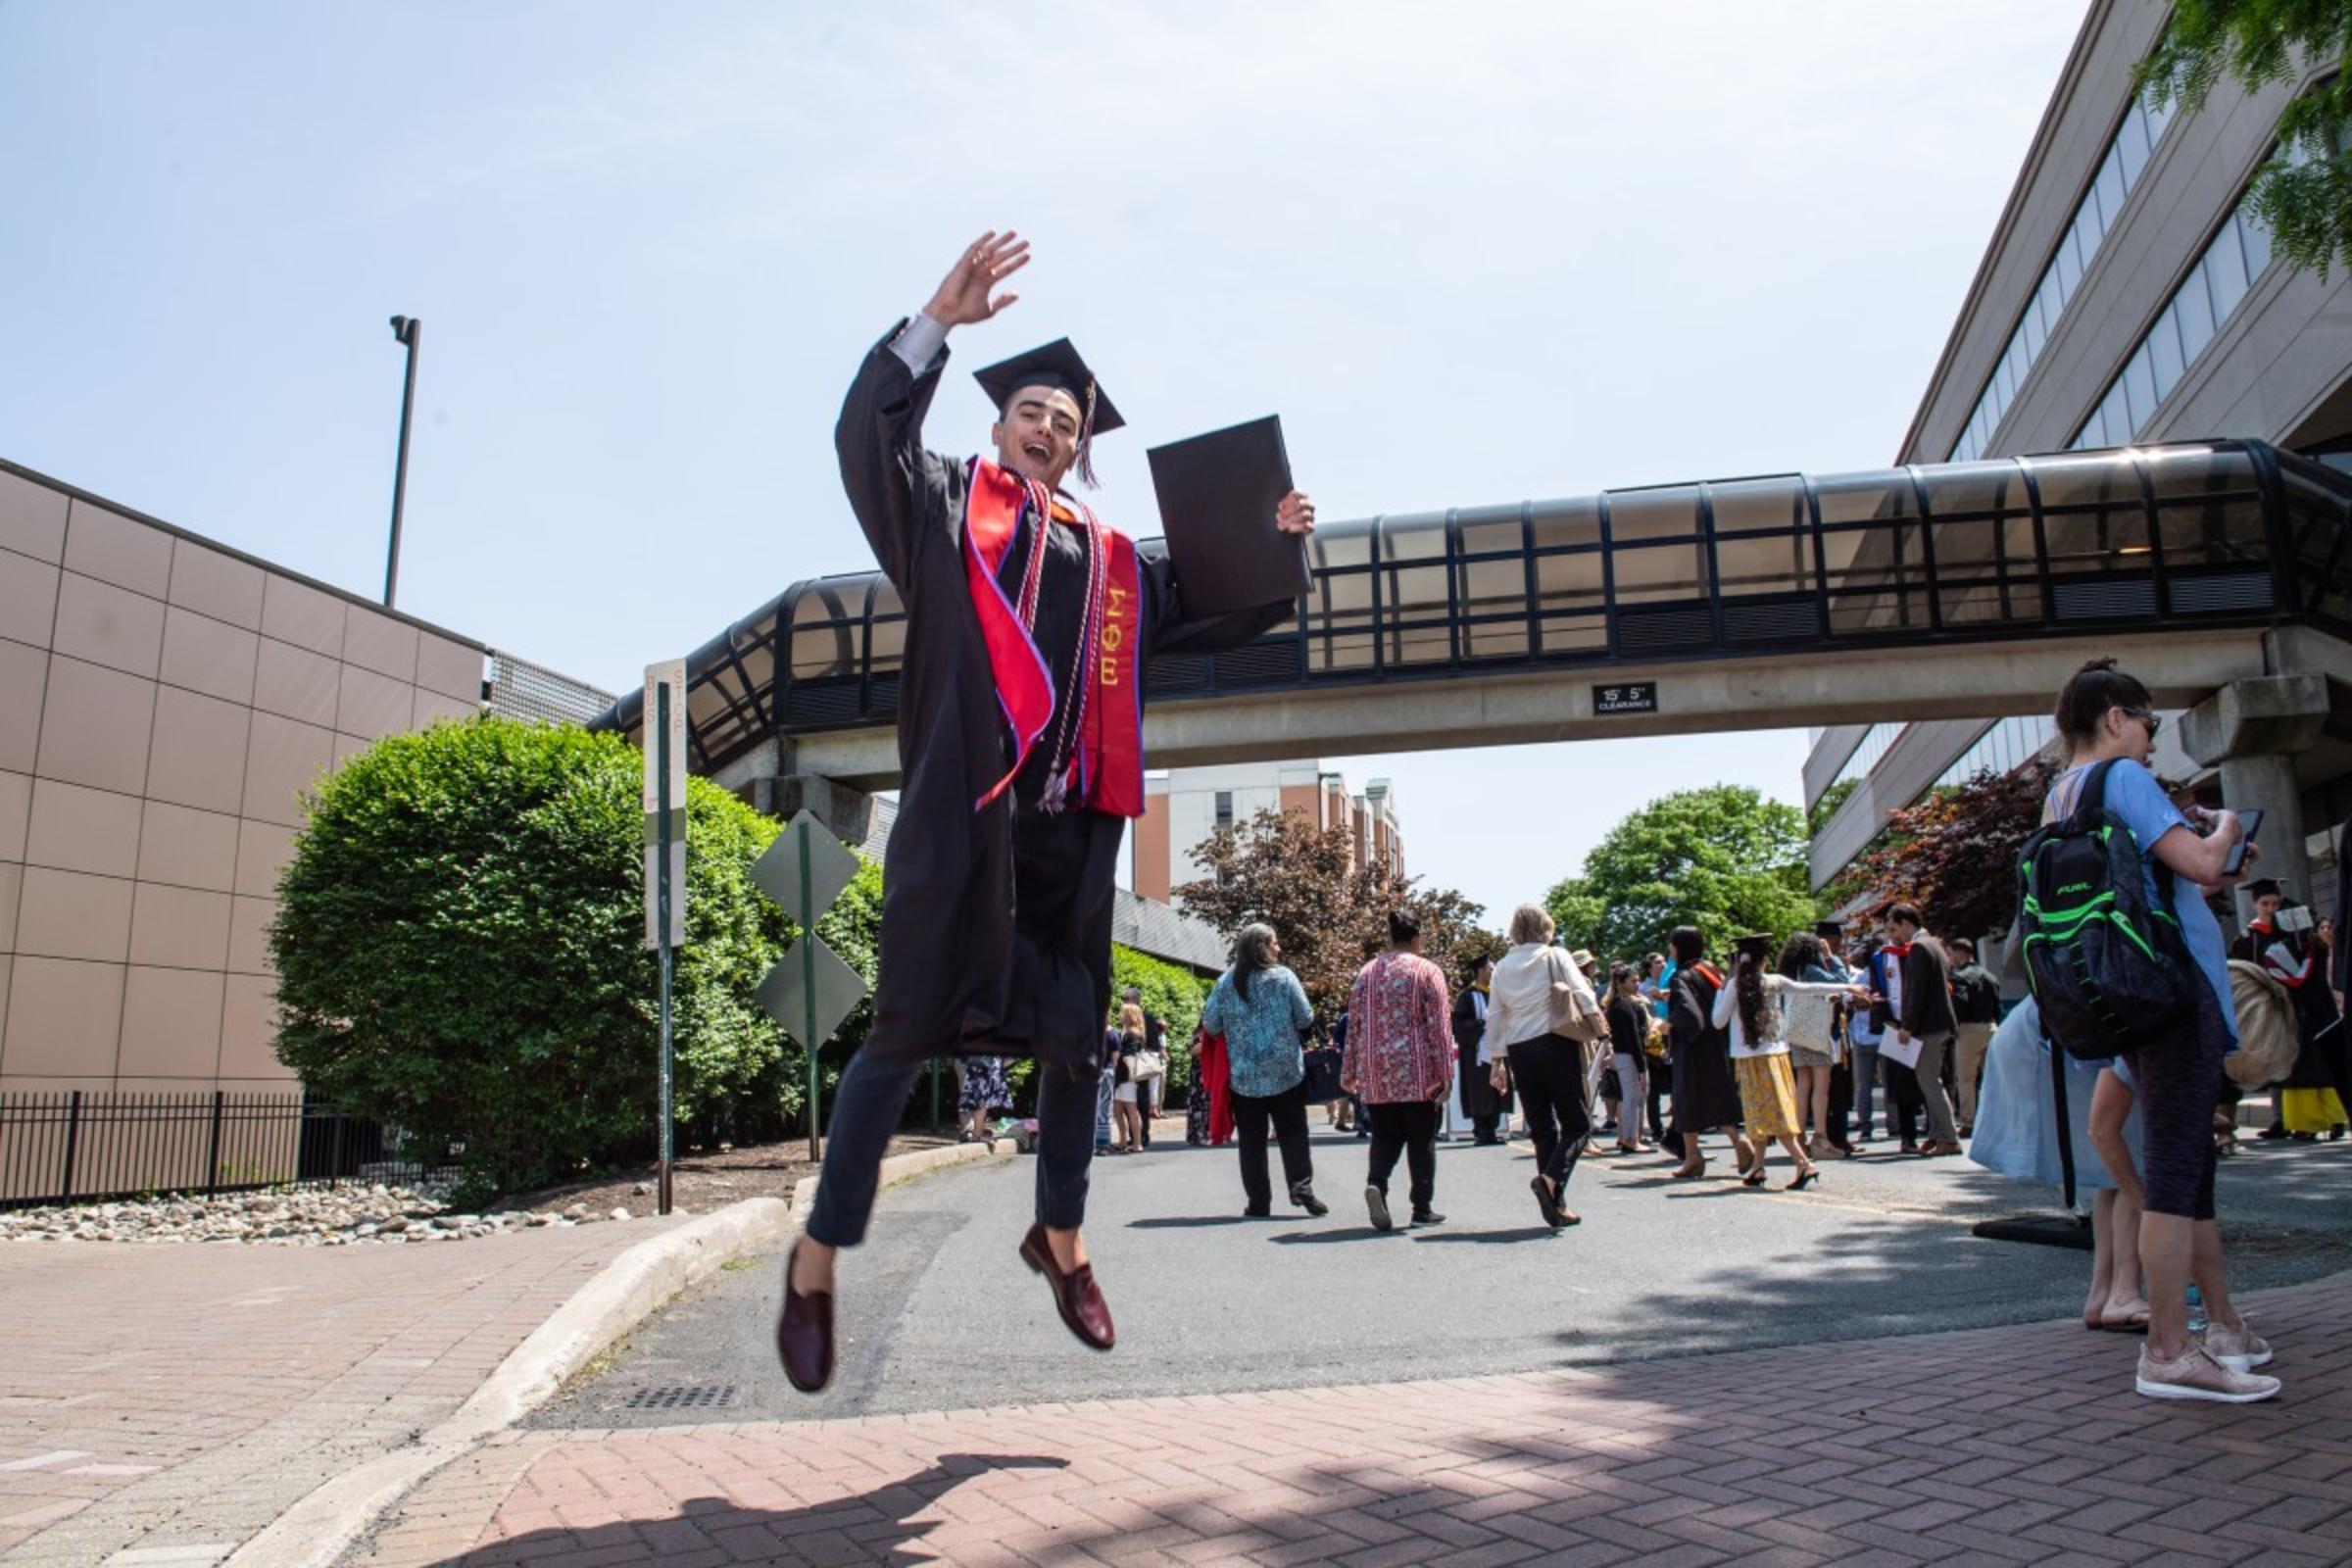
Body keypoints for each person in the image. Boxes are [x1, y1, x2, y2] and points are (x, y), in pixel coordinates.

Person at [777, 232, 1316, 1392]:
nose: (1049, 428)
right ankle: (818, 1259)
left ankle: (1061, 1240)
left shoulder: (1116, 561)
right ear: (998, 425)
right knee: (902, 1032)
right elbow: (861, 439)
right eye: (1031, 410)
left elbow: (1221, 605)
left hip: (1070, 837)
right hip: (961, 823)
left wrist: (1278, 544)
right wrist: (936, 318)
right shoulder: (938, 514)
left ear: (1082, 450)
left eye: (1066, 422)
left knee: (1077, 1041)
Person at [2042, 657, 2275, 1401]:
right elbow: (2203, 862)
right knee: (2177, 1172)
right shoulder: (2125, 781)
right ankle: (2171, 1349)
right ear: (2116, 717)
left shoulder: (2059, 796)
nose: (2150, 737)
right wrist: (2228, 823)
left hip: (2120, 993)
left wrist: (2213, 863)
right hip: (2173, 992)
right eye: (2149, 722)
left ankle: (2224, 1328)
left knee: (2190, 1170)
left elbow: (2163, 879)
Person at [1483, 905, 1602, 1227]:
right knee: (1577, 1124)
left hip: (1520, 1050)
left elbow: (1495, 1015)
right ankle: (1549, 1180)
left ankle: (1556, 1203)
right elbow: (1581, 991)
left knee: (1542, 1129)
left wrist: (1497, 1059)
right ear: (1545, 928)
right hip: (1554, 1041)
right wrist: (1599, 1025)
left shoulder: (1502, 967)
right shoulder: (1555, 955)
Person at [1200, 924, 1325, 1218]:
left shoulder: (1226, 982)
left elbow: (1211, 1024)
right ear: (1263, 946)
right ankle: (1301, 1186)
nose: (1279, 949)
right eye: (1276, 943)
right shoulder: (1284, 977)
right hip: (1286, 1073)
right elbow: (1306, 1017)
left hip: (1245, 1078)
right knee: (1293, 1132)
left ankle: (1259, 1202)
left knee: (1252, 1142)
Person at [1717, 934, 1859, 1189]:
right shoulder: (1774, 981)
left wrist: (1722, 989)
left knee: (1764, 1113)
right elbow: (1807, 988)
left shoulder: (1734, 986)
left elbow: (1718, 1021)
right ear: (1764, 960)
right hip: (1778, 1056)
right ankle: (1759, 1166)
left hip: (1749, 1060)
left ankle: (1804, 1163)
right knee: (1769, 1112)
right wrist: (1845, 987)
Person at [1343, 910, 1455, 1231]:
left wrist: (1349, 1070)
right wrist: (1445, 1072)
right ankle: (1421, 1207)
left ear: (1390, 938)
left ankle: (1376, 1183)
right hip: (1418, 1069)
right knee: (1422, 1139)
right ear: (1416, 938)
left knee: (1385, 1135)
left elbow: (1354, 1025)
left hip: (1377, 1070)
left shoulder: (1367, 973)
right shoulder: (1427, 971)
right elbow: (1439, 1027)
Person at [2231, 880, 2347, 1140]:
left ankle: (2315, 1120)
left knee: (2302, 1064)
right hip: (2292, 1008)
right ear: (2254, 905)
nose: (2270, 909)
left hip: (2300, 1008)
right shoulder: (2249, 938)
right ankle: (2286, 1120)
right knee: (2292, 1063)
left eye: (2275, 904)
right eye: (2265, 904)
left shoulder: (2295, 940)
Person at [1666, 925, 1754, 1180]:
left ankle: (1694, 1156)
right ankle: (1736, 1144)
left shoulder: (1680, 975)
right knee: (1718, 1096)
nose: (1670, 948)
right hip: (1717, 1043)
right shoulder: (1710, 969)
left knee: (1685, 1098)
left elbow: (1688, 1013)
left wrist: (1668, 1022)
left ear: (1679, 947)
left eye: (1672, 944)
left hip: (1692, 1048)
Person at [1880, 904, 1963, 1155]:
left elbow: (1916, 992)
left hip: (1928, 1026)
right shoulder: (1934, 943)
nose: (1893, 936)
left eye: (1894, 929)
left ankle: (1948, 1138)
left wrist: (1907, 1026)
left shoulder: (1918, 947)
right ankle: (1937, 1135)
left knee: (1929, 1082)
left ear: (1907, 923)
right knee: (1933, 1080)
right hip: (1941, 1024)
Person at [1776, 931, 1843, 1160]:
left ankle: (1799, 1136)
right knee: (1821, 1086)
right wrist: (1831, 957)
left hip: (1796, 1031)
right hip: (1815, 1030)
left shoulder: (1790, 972)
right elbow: (1841, 982)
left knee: (1803, 1085)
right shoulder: (1811, 970)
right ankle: (1820, 1137)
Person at [1947, 937, 2002, 1137]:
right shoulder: (1990, 976)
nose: (1950, 958)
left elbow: (1959, 1003)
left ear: (1961, 953)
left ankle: (1968, 1122)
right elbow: (1998, 1005)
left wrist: (1953, 1027)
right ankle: (1997, 1117)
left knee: (1966, 1079)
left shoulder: (1959, 977)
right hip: (1991, 1027)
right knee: (1993, 1078)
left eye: (1951, 954)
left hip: (1968, 1030)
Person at [1603, 962, 1655, 1155]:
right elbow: (1633, 1036)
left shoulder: (1618, 1003)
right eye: (1633, 980)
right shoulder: (1623, 1006)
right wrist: (1641, 1066)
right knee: (1631, 1097)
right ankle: (1630, 1139)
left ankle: (1630, 1137)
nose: (1637, 983)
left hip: (1625, 1054)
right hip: (1629, 1055)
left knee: (1632, 1097)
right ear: (1621, 982)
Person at [1453, 957, 1505, 1145]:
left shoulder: (1497, 994)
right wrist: (1480, 1024)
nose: (1493, 972)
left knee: (1496, 1089)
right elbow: (1458, 1024)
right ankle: (1482, 1131)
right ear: (1480, 971)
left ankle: (1492, 1130)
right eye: (1490, 968)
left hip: (1497, 1049)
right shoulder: (1467, 996)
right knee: (1479, 1090)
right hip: (1476, 1051)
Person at [1110, 1003, 1148, 1153]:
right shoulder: (1129, 1032)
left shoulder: (1133, 1033)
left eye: (1122, 1013)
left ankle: (1137, 1143)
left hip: (1127, 1076)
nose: (1120, 1015)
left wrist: (1118, 1054)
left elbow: (1130, 1055)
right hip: (1122, 1076)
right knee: (1118, 1108)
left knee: (1130, 1108)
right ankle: (1123, 1140)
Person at [959, 1055, 1012, 1143]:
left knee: (980, 1098)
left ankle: (977, 1132)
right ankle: (977, 1134)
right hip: (982, 1060)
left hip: (982, 1059)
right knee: (981, 1098)